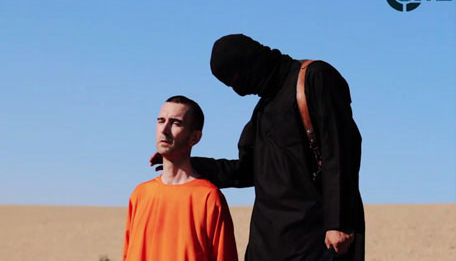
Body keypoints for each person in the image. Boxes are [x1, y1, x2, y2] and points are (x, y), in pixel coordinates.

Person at [153, 35, 366, 261]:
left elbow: (341, 152)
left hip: (317, 239)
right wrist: (187, 163)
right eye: (229, 84)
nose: (237, 89)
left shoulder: (313, 78)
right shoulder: (262, 112)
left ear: (250, 59)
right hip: (266, 244)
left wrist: (338, 222)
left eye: (235, 78)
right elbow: (246, 172)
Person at [123, 95, 238, 261]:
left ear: (194, 137)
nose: (164, 129)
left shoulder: (209, 198)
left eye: (175, 123)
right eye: (161, 121)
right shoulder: (140, 194)